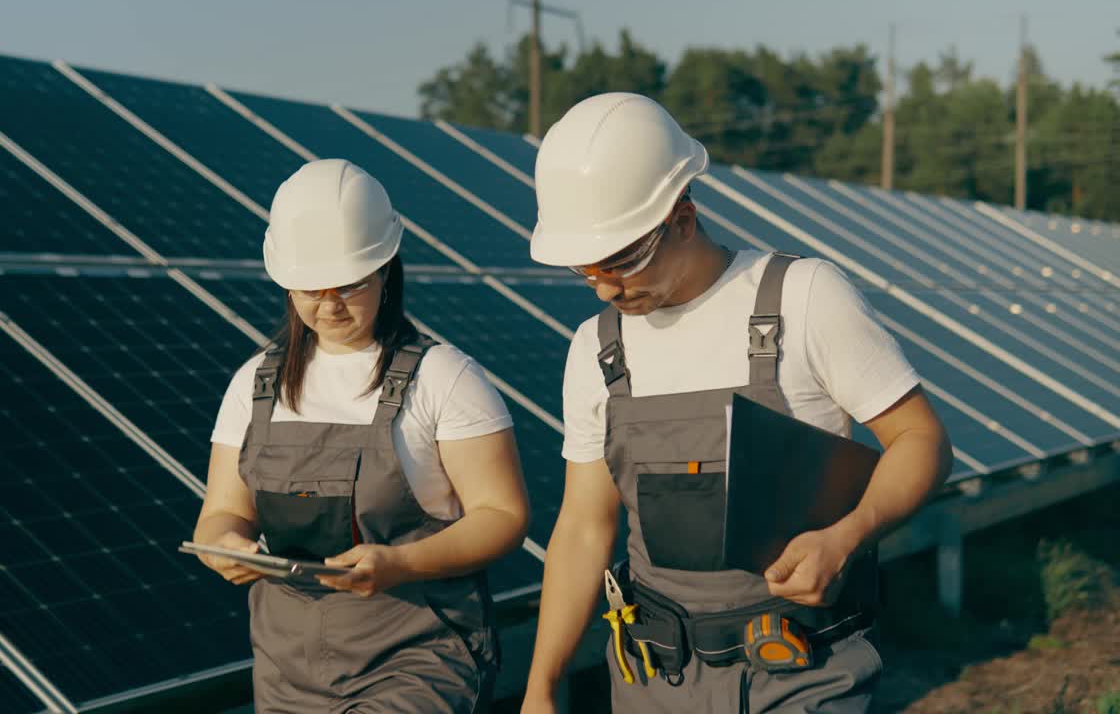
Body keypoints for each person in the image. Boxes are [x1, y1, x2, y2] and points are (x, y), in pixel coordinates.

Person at [520, 93, 953, 713]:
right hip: (654, 681)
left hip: (801, 670)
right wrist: (542, 682)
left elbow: (923, 442)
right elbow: (585, 526)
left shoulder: (802, 298)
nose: (606, 287)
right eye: (585, 271)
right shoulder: (596, 348)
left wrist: (847, 536)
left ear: (684, 217)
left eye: (621, 262)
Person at [194, 159, 530, 713]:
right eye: (309, 289)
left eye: (347, 285)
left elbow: (503, 516)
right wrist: (223, 548)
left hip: (415, 661)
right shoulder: (253, 384)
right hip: (285, 675)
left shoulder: (445, 377)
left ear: (384, 270)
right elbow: (221, 513)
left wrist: (401, 565)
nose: (328, 305)